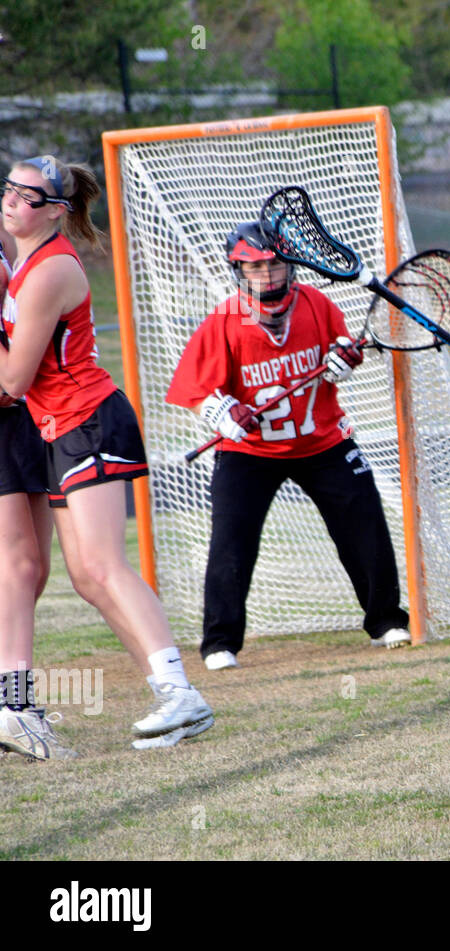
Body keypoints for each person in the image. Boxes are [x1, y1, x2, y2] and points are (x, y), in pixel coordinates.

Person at [0, 155, 213, 750]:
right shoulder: (21, 262)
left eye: (29, 196)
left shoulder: (48, 270)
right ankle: (173, 696)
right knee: (87, 577)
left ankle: (180, 693)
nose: (14, 201)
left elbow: (14, 379)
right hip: (60, 429)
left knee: (103, 567)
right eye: (9, 189)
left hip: (89, 423)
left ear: (57, 211)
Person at [166, 222, 410, 670]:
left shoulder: (316, 305)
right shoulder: (225, 320)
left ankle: (386, 620)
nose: (267, 275)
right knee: (231, 542)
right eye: (256, 267)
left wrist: (340, 363)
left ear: (291, 266)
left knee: (364, 522)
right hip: (250, 451)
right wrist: (221, 411)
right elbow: (195, 389)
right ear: (238, 270)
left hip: (322, 439)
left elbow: (339, 353)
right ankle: (220, 641)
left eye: (275, 264)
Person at [0, 220, 71, 759]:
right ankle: (14, 706)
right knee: (18, 568)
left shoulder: (17, 258)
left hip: (28, 418)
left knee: (35, 572)